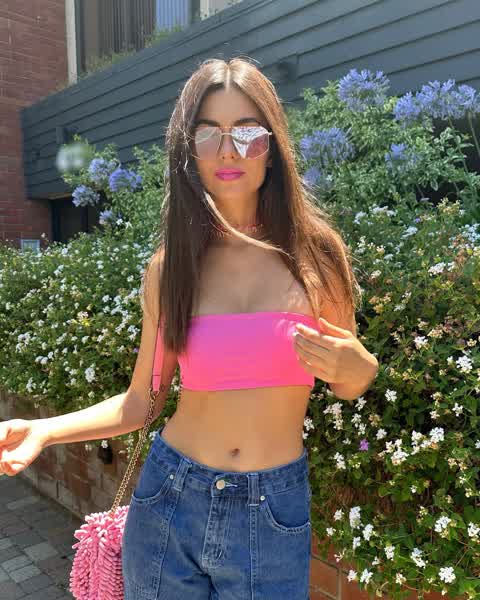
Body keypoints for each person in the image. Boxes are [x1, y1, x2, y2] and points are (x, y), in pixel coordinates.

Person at [0, 56, 378, 599]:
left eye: (247, 132)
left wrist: (361, 366)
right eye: (208, 134)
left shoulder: (318, 258)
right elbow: (143, 402)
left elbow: (347, 380)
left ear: (273, 146)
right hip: (170, 498)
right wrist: (44, 430)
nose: (228, 150)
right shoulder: (171, 268)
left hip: (271, 510)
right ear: (188, 150)